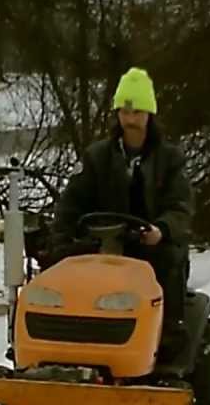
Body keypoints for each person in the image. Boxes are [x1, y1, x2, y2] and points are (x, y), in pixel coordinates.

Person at [48, 67, 193, 360]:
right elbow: (72, 202)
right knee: (60, 264)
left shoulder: (170, 160)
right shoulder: (96, 157)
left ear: (149, 115)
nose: (130, 120)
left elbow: (181, 207)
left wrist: (161, 229)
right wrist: (61, 237)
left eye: (137, 112)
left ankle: (166, 338)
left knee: (166, 262)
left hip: (147, 244)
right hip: (101, 243)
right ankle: (61, 338)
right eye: (125, 112)